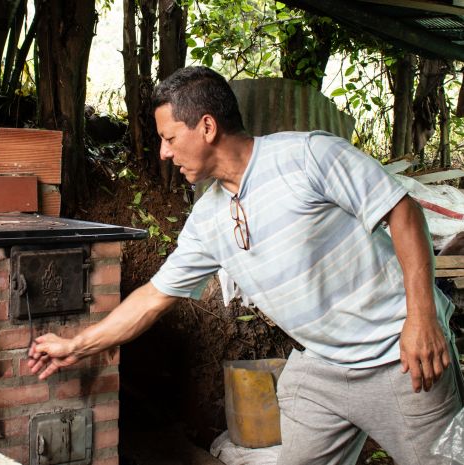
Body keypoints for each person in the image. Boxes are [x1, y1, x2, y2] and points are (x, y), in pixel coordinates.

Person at [28, 66, 463, 464]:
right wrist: (76, 345)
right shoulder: (208, 218)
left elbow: (402, 213)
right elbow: (153, 297)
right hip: (323, 368)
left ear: (207, 126)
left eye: (169, 137)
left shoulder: (309, 156)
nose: (163, 152)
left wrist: (422, 318)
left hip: (400, 355)